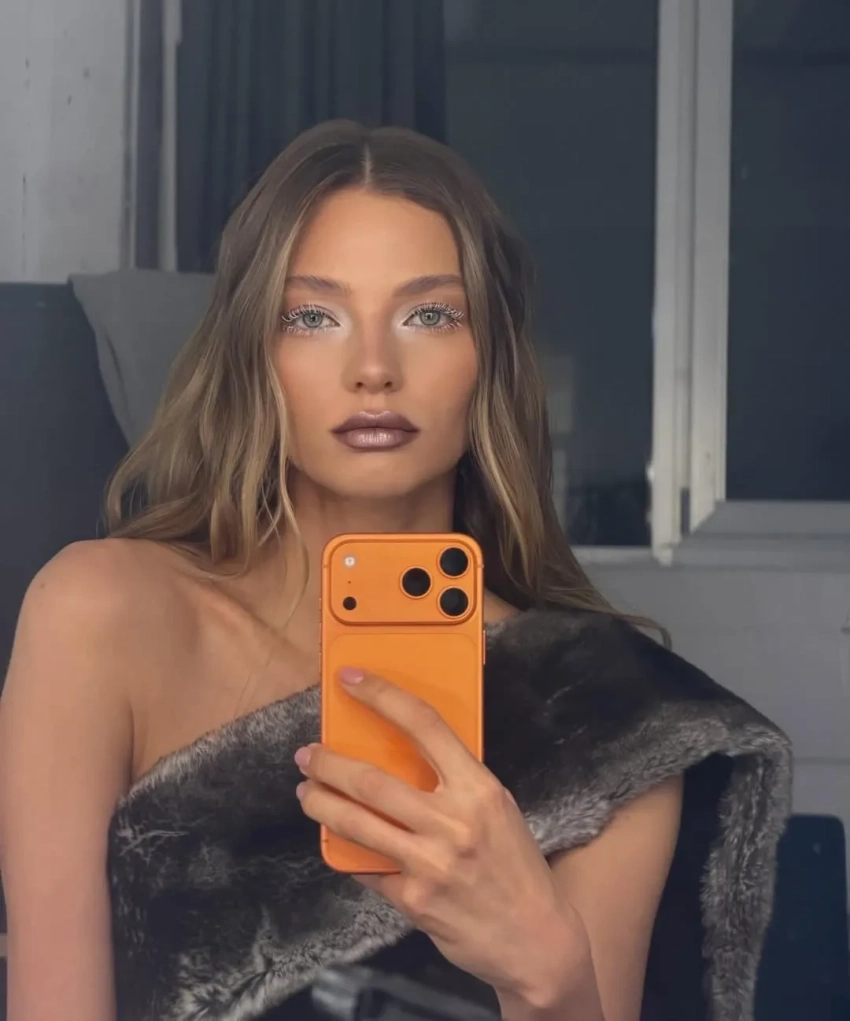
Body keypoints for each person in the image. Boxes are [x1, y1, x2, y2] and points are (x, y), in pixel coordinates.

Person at [0, 121, 790, 1021]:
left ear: (489, 357)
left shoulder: (603, 712)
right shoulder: (101, 615)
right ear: (254, 354)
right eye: (313, 316)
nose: (373, 368)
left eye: (428, 315)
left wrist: (546, 971)